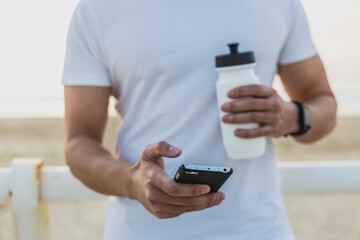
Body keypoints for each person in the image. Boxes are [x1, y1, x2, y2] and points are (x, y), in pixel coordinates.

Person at [62, 0, 337, 239]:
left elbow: (323, 104)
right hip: (142, 232)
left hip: (261, 230)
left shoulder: (279, 3)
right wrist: (131, 181)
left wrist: (292, 116)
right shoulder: (97, 10)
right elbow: (79, 143)